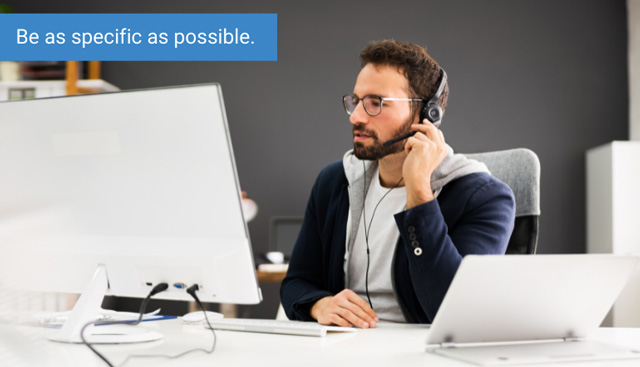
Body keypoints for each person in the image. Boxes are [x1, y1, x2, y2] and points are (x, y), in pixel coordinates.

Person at [280, 40, 515, 328]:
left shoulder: (485, 198)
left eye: (376, 104)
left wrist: (418, 189)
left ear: (427, 115)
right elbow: (296, 282)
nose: (355, 117)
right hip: (343, 348)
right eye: (355, 101)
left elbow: (450, 312)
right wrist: (321, 304)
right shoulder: (335, 182)